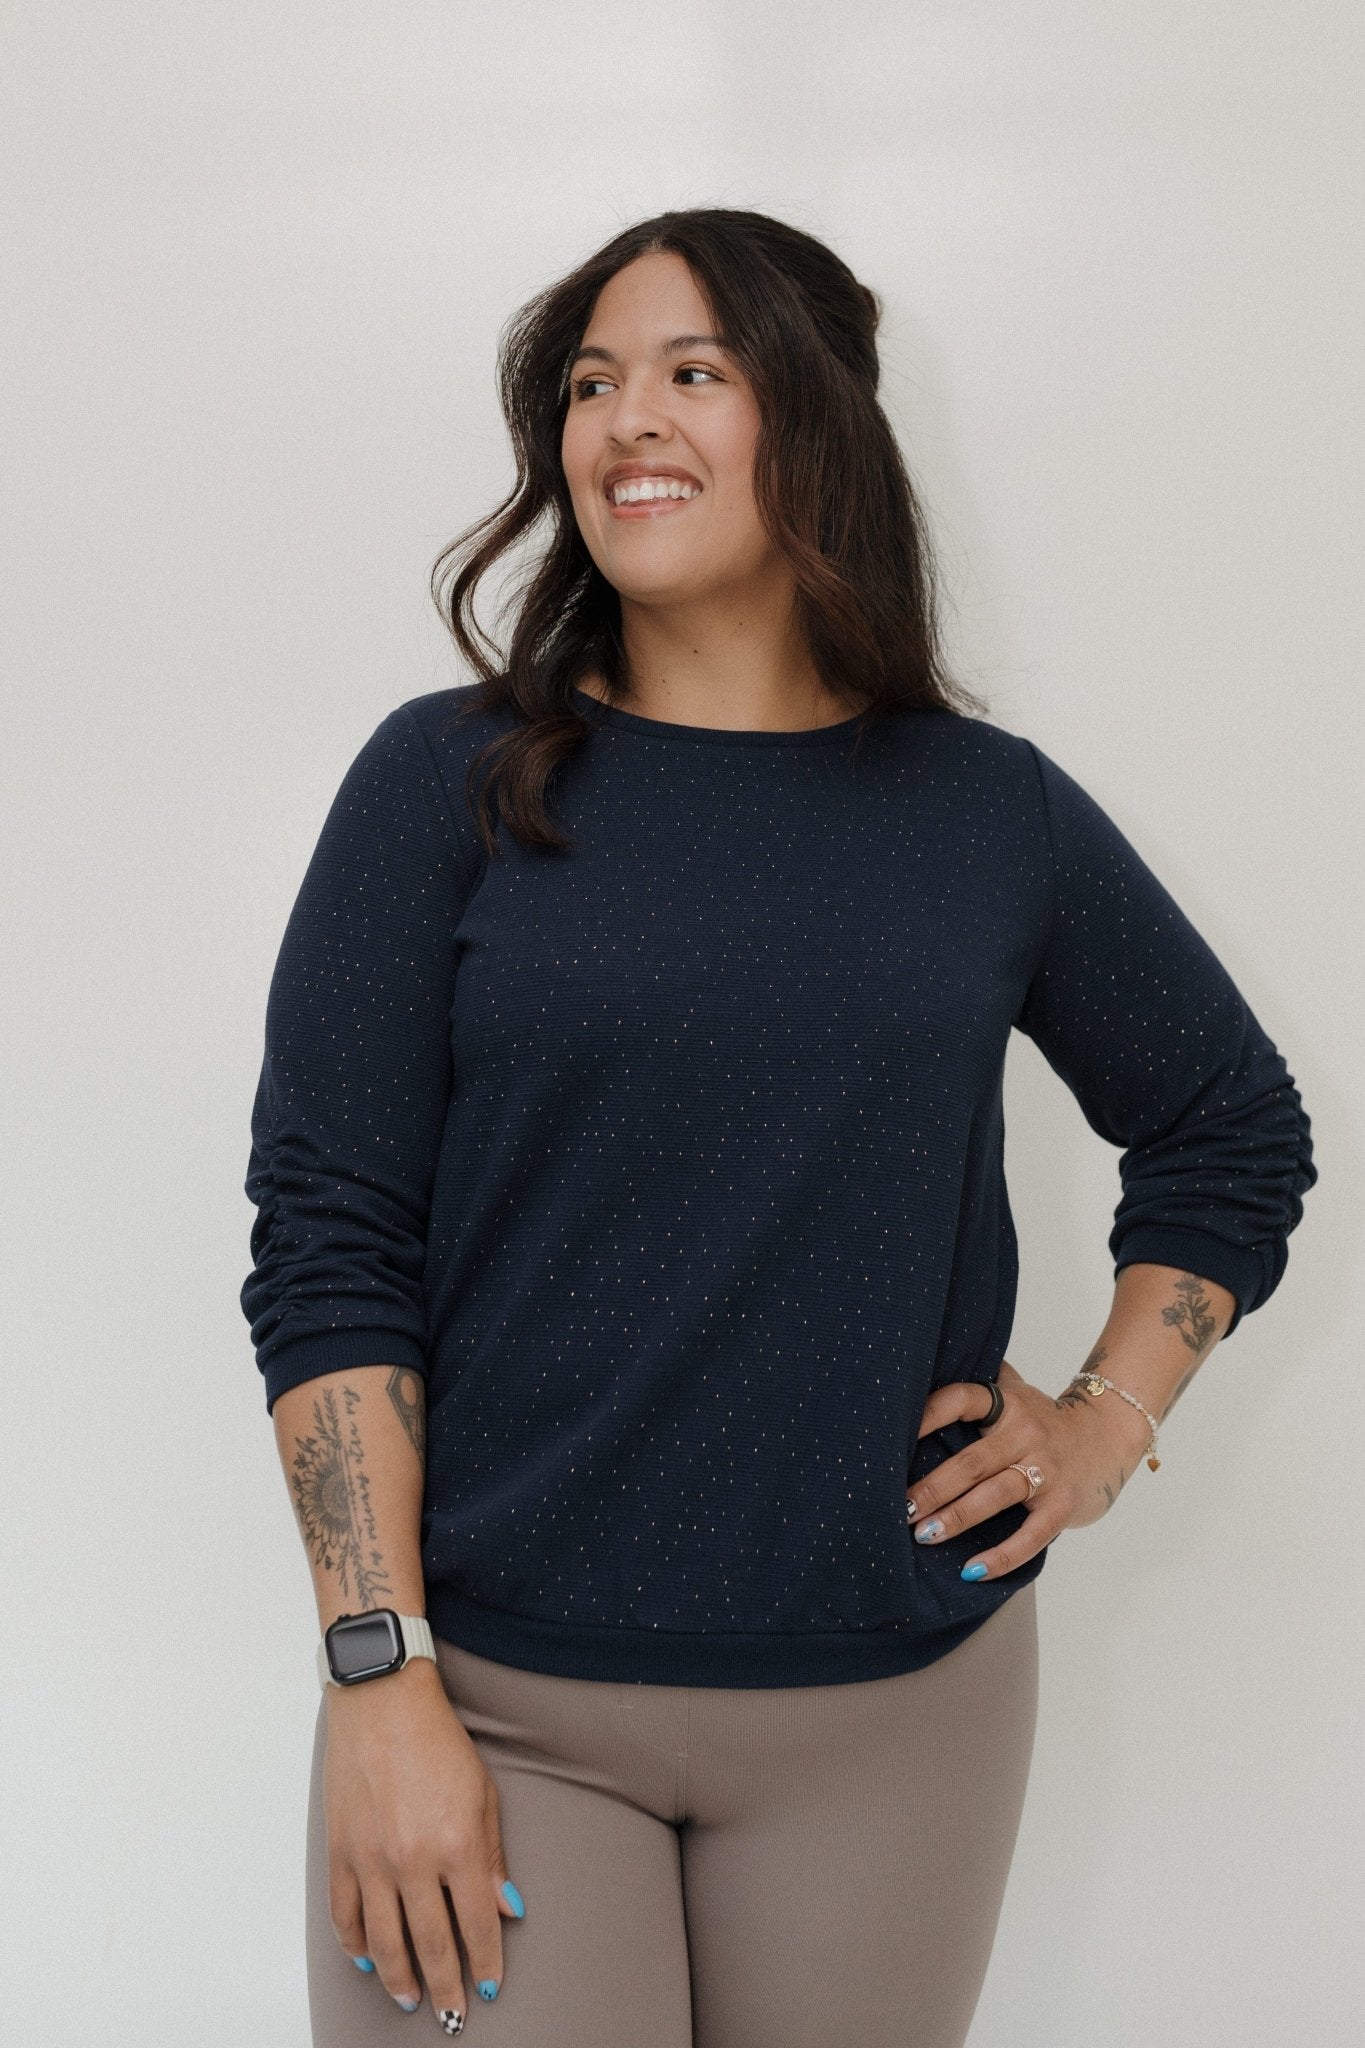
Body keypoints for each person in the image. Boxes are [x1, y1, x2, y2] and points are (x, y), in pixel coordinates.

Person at [239, 209, 1317, 2047]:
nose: (626, 421)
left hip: (899, 1709)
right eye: (592, 383)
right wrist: (378, 1682)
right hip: (492, 1702)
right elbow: (329, 1238)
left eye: (693, 371)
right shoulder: (447, 782)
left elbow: (1228, 1126)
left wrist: (1100, 1426)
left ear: (814, 420)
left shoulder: (983, 811)